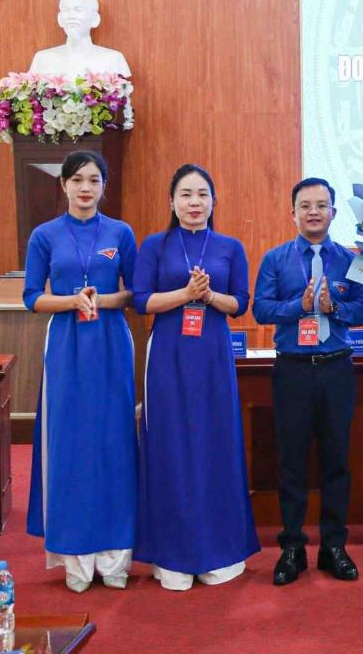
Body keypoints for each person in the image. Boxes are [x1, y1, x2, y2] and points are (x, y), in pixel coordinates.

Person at [132, 164, 259, 590]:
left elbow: (240, 303)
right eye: (185, 194)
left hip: (212, 353)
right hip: (167, 353)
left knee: (214, 441)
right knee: (169, 443)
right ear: (172, 201)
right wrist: (185, 295)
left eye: (202, 194)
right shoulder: (155, 245)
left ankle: (218, 550)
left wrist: (208, 295)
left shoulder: (230, 246)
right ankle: (173, 555)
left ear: (213, 201)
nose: (194, 202)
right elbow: (142, 301)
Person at [23, 150, 138, 592]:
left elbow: (135, 294)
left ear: (104, 185)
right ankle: (74, 559)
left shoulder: (120, 232)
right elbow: (32, 297)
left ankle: (115, 559)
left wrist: (102, 300)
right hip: (66, 343)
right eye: (77, 180)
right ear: (64, 185)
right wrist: (71, 301)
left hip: (111, 341)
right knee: (69, 443)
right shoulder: (45, 235)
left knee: (114, 441)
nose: (85, 188)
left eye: (93, 180)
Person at [254, 177, 363, 584]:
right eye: (305, 205)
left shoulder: (351, 260)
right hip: (293, 370)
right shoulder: (275, 259)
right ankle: (292, 548)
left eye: (321, 205)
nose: (314, 212)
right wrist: (299, 306)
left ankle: (333, 547)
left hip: (337, 368)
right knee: (292, 462)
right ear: (293, 213)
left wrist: (333, 307)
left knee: (337, 461)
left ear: (333, 212)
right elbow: (261, 310)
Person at [29, 0, 131, 78]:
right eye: (66, 10)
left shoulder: (113, 59)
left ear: (95, 19)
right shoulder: (43, 59)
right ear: (60, 19)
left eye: (78, 10)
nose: (71, 16)